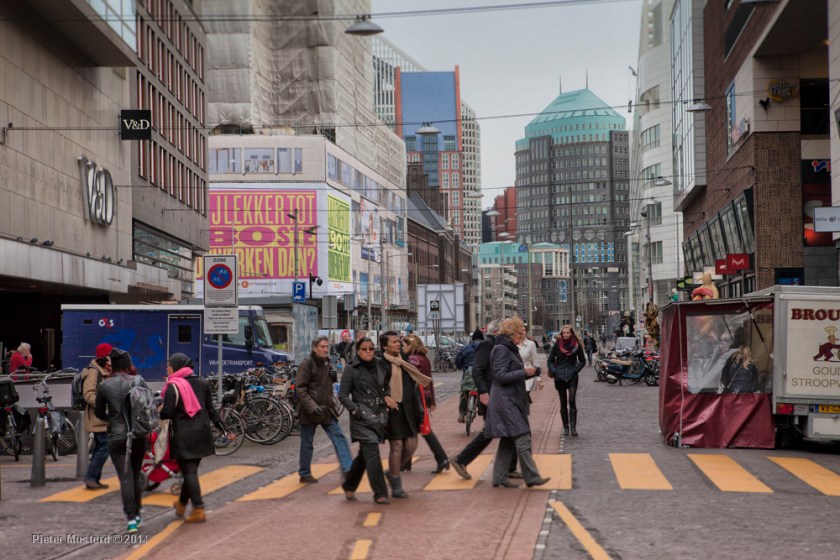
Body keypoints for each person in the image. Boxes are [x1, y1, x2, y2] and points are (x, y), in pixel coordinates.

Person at [160, 353, 232, 523]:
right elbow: (211, 410)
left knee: (189, 471)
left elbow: (167, 413)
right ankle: (182, 504)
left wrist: (158, 410)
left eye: (169, 365)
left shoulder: (173, 386)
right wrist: (225, 429)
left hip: (184, 435)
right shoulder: (202, 383)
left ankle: (198, 508)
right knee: (189, 470)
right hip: (202, 433)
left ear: (176, 366)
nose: (167, 368)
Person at [485, 316, 550, 489]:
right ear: (512, 332)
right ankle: (532, 476)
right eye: (520, 330)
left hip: (509, 398)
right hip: (505, 400)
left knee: (507, 439)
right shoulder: (502, 349)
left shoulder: (507, 347)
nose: (522, 333)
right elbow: (499, 376)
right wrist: (524, 373)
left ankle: (499, 478)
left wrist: (530, 372)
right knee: (522, 436)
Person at [450, 320, 519, 481]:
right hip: (491, 395)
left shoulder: (499, 345)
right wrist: (483, 392)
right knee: (492, 431)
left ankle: (509, 467)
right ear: (497, 331)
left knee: (509, 430)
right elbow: (478, 369)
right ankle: (461, 459)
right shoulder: (487, 345)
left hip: (498, 394)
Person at [94, 348, 148, 533]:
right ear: (127, 365)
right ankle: (138, 515)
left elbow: (98, 412)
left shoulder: (104, 386)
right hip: (138, 434)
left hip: (116, 436)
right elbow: (149, 405)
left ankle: (131, 519)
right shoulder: (138, 380)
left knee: (125, 478)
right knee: (135, 474)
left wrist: (112, 419)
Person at [339, 337, 397, 504]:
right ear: (358, 351)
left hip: (378, 414)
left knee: (365, 455)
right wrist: (356, 410)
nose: (368, 352)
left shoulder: (380, 364)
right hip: (361, 417)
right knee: (372, 451)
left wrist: (386, 396)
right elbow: (342, 395)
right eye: (364, 349)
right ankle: (380, 493)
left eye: (371, 348)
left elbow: (386, 385)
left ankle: (349, 485)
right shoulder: (351, 369)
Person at [380, 330, 431, 498]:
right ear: (384, 346)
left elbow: (415, 383)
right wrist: (385, 398)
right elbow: (378, 387)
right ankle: (396, 484)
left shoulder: (404, 360)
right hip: (393, 410)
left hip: (409, 409)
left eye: (398, 341)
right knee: (397, 446)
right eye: (394, 342)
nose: (398, 344)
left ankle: (392, 472)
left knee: (411, 444)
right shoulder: (381, 364)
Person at [296, 336, 353, 483]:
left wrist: (333, 378)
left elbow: (324, 384)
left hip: (326, 409)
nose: (326, 349)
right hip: (310, 411)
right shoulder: (307, 364)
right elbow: (300, 388)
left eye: (327, 346)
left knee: (339, 437)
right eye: (322, 347)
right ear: (315, 348)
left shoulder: (326, 362)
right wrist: (312, 408)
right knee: (307, 443)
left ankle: (348, 469)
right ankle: (304, 472)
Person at [403, 335, 449, 474]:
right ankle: (406, 463)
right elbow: (429, 381)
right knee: (417, 429)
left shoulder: (412, 360)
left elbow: (409, 381)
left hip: (414, 399)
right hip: (424, 398)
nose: (402, 348)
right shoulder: (424, 358)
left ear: (410, 346)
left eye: (404, 345)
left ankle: (441, 459)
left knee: (417, 429)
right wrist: (432, 401)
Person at [83, 343, 113, 490]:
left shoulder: (103, 370)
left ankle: (94, 479)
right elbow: (88, 394)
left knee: (100, 447)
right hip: (97, 416)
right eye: (109, 355)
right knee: (105, 447)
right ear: (104, 357)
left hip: (101, 416)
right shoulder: (94, 371)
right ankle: (90, 477)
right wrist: (104, 405)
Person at [548, 326, 586, 437]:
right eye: (564, 333)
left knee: (572, 400)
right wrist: (554, 371)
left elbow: (582, 361)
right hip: (559, 377)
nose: (565, 334)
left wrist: (576, 370)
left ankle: (573, 427)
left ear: (571, 333)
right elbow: (550, 360)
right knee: (563, 402)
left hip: (572, 376)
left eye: (567, 332)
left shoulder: (576, 345)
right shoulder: (557, 345)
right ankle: (566, 427)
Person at [454, 329, 484, 422]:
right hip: (481, 374)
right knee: (483, 391)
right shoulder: (485, 348)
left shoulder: (466, 348)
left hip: (468, 373)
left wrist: (460, 367)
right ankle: (482, 409)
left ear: (472, 338)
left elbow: (458, 360)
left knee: (463, 393)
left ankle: (462, 414)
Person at [518, 326, 542, 397]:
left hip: (529, 374)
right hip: (517, 374)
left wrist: (539, 379)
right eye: (519, 331)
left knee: (525, 395)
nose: (522, 332)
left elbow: (536, 362)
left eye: (524, 330)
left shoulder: (531, 344)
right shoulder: (513, 343)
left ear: (526, 332)